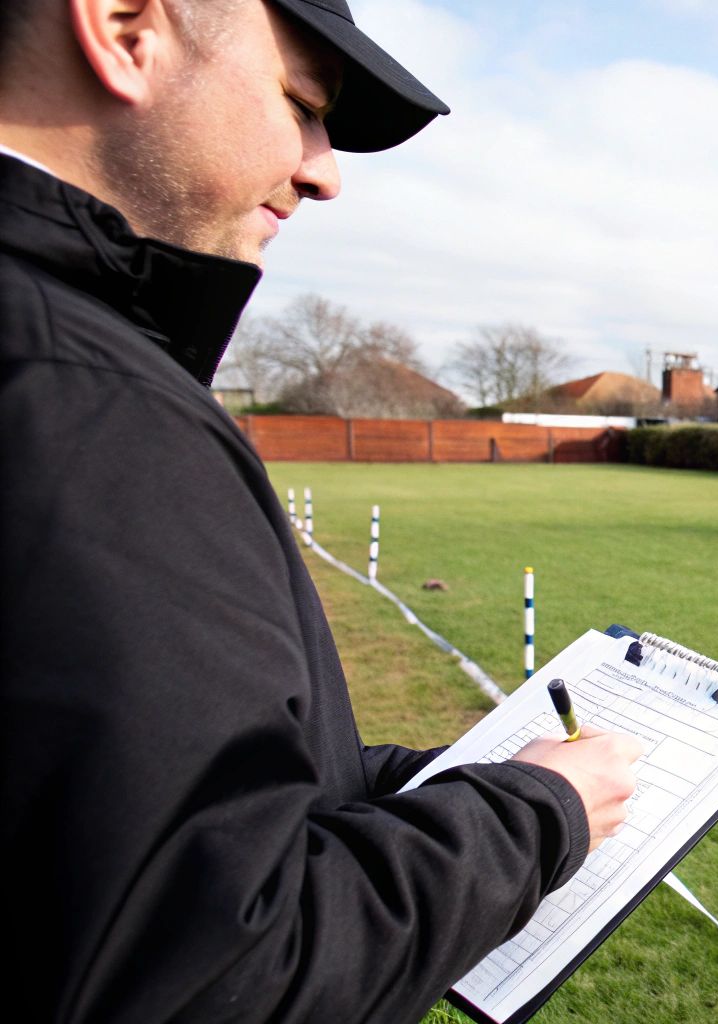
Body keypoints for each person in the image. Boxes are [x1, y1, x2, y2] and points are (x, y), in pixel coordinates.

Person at [0, 1, 642, 1021]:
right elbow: (218, 976)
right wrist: (535, 813)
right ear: (124, 27)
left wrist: (436, 782)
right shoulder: (89, 401)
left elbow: (110, 815)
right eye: (303, 103)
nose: (324, 169)